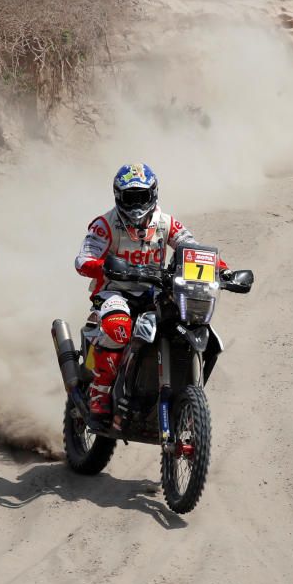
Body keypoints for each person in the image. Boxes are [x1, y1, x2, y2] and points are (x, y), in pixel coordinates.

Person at [74, 163, 226, 418]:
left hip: (154, 293)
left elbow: (192, 249)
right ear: (118, 197)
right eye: (129, 198)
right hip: (114, 293)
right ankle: (100, 391)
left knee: (183, 323)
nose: (135, 205)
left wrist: (222, 270)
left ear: (153, 195)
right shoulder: (105, 224)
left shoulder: (166, 223)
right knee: (118, 327)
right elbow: (83, 260)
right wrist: (107, 266)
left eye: (141, 197)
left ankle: (176, 392)